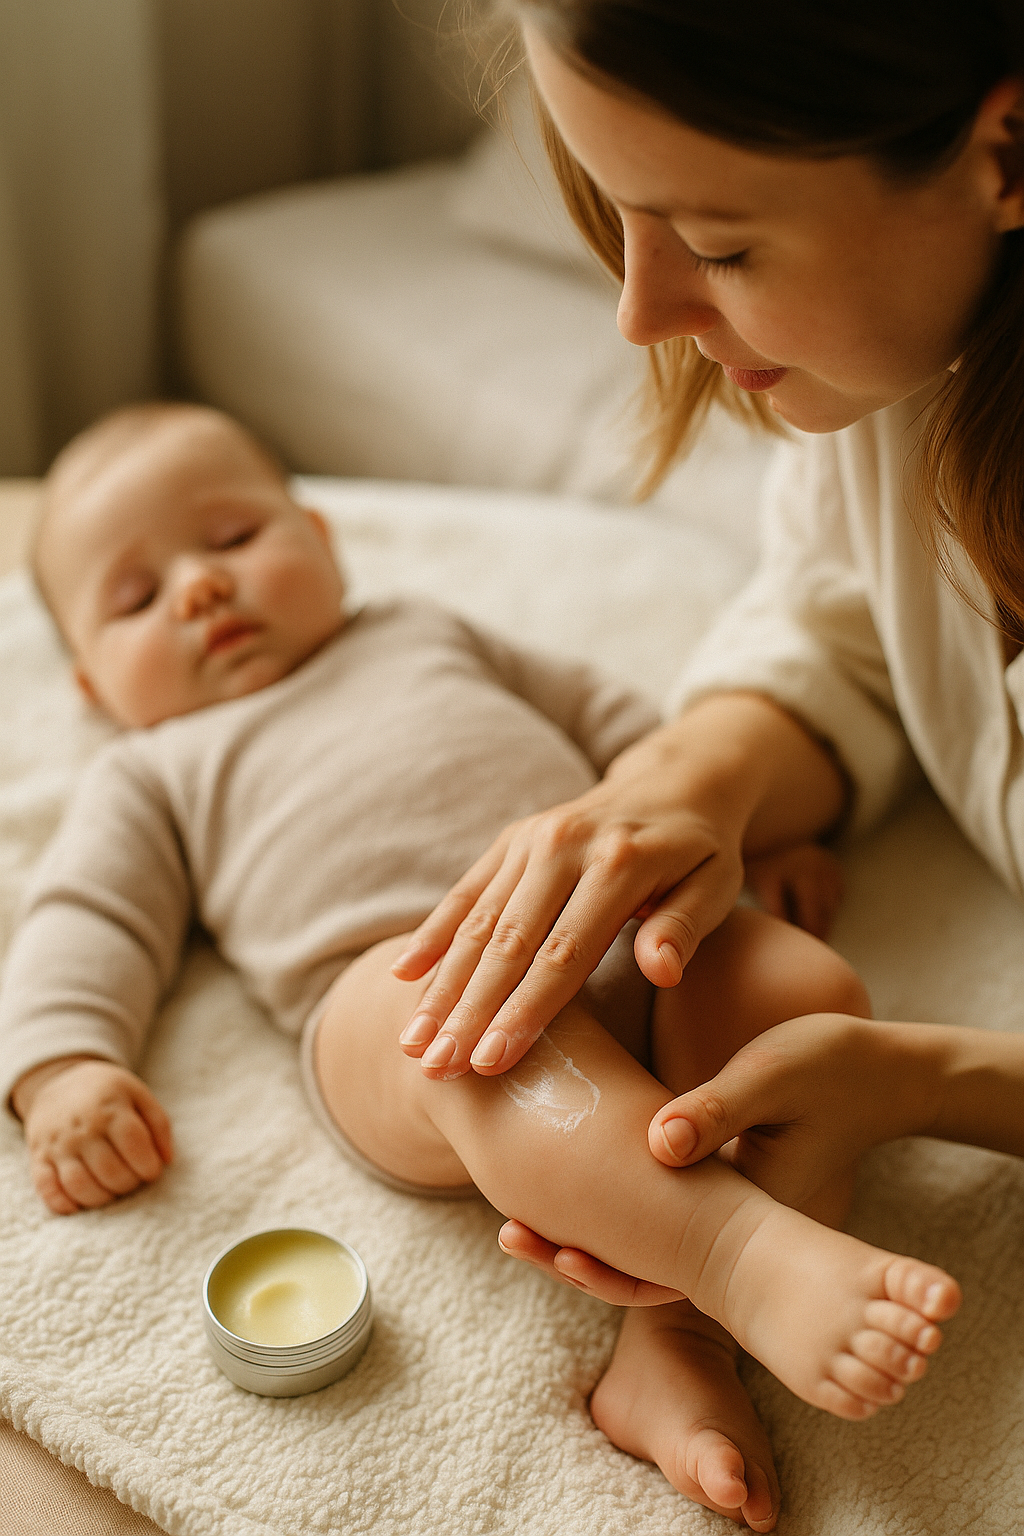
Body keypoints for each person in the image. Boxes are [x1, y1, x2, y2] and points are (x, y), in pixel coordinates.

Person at [1, 402, 961, 1533]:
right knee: (476, 1039)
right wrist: (60, 1067)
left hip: (613, 919)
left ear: (319, 538)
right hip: (397, 990)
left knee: (804, 999)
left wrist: (744, 831)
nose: (201, 590)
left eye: (230, 540)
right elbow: (87, 916)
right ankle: (738, 1256)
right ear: (92, 689)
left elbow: (632, 741)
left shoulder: (421, 628)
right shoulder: (155, 768)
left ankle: (674, 1343)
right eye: (135, 597)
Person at [381, 0, 1024, 1527]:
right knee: (446, 1024)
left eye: (721, 247)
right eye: (618, 215)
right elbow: (852, 631)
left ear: (1006, 147)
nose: (640, 310)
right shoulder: (910, 367)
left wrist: (933, 1078)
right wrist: (694, 780)